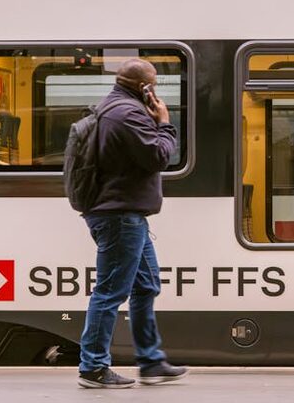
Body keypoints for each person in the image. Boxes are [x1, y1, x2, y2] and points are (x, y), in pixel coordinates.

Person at [76, 58, 188, 388]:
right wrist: (165, 123)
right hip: (120, 217)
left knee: (145, 285)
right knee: (110, 292)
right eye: (154, 84)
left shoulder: (114, 108)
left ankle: (151, 362)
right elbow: (157, 156)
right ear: (145, 87)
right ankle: (93, 367)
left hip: (125, 214)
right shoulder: (127, 114)